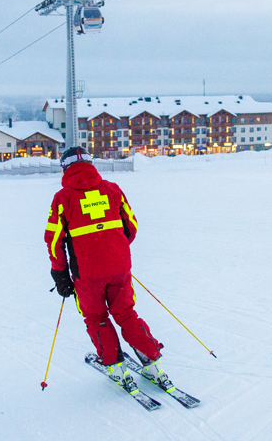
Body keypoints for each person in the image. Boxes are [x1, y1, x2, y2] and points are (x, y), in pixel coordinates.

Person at [44, 146, 168, 388]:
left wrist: (60, 274)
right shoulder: (112, 190)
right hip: (119, 267)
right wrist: (114, 250)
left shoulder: (63, 198)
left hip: (87, 274)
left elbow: (54, 240)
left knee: (97, 317)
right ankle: (152, 362)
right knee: (126, 314)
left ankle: (115, 367)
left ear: (65, 168)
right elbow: (130, 226)